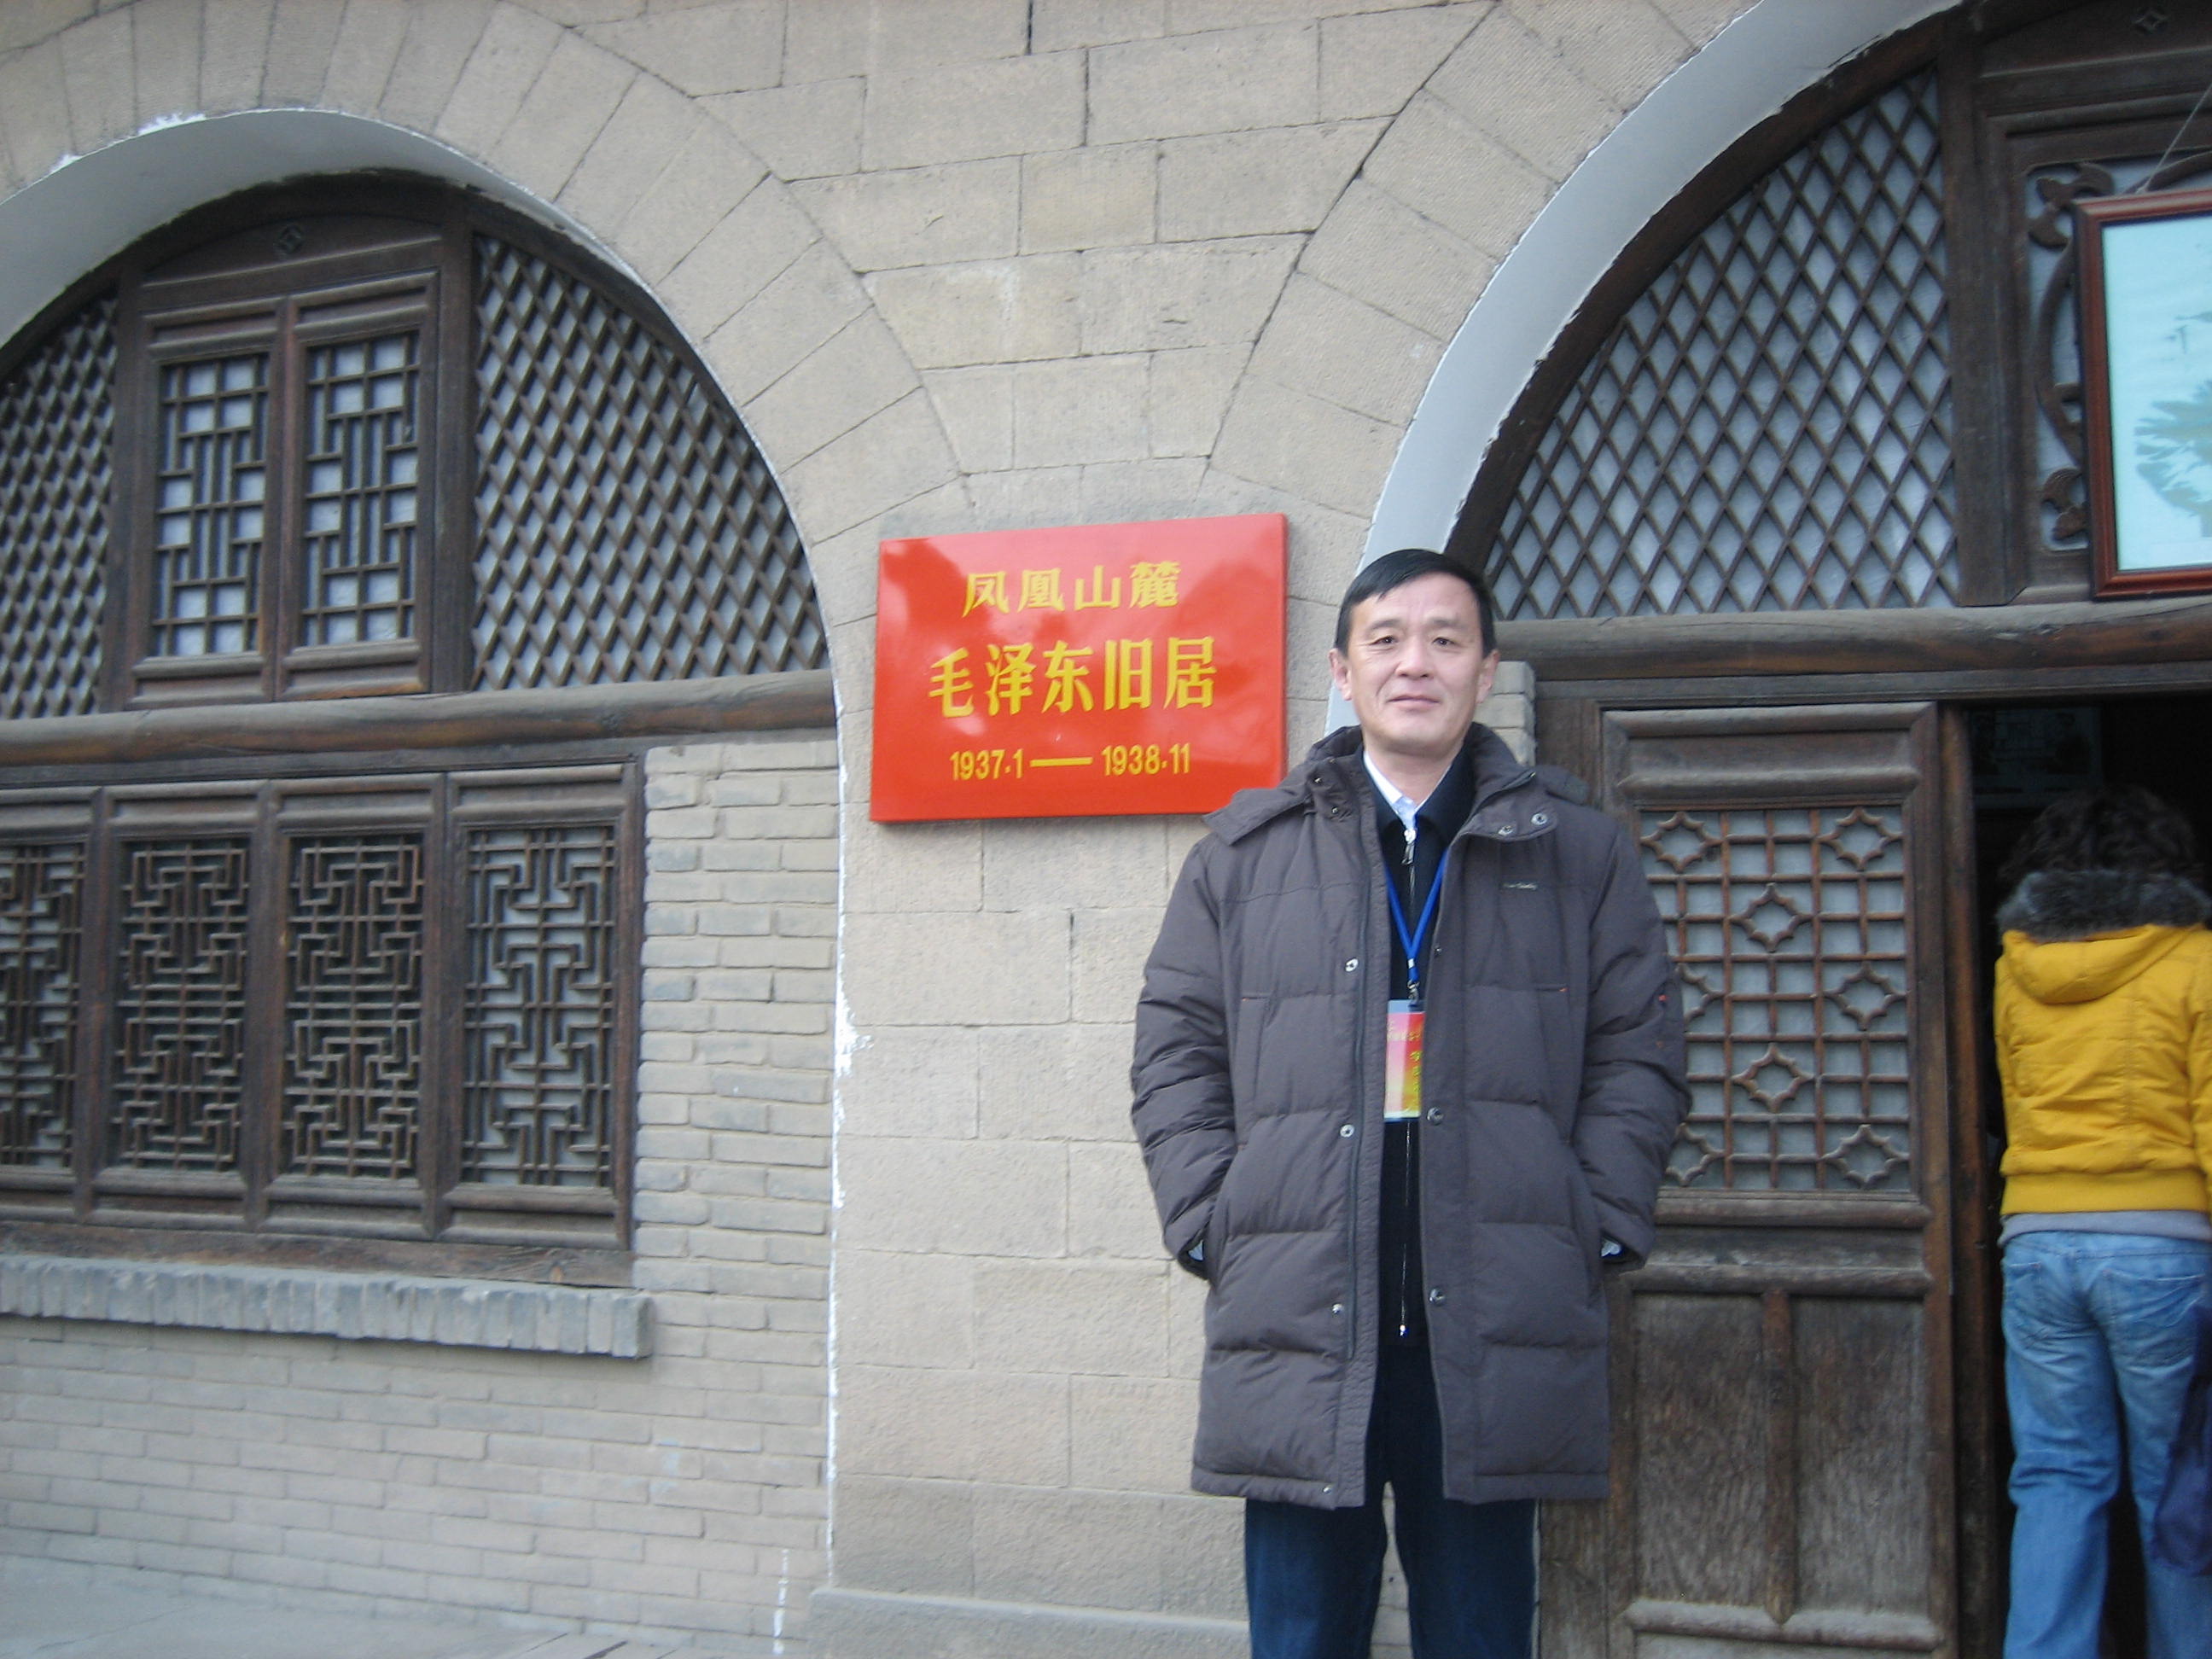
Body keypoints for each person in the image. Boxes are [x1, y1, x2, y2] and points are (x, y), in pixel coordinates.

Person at [1131, 549, 1687, 1659]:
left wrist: (1593, 1221)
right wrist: (1210, 1220)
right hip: (1301, 1307)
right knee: (1302, 1632)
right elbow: (1174, 1049)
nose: (1415, 664)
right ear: (1343, 672)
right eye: (1385, 640)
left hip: (1491, 1311)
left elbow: (1641, 1050)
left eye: (1445, 639)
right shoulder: (1246, 857)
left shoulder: (1575, 852)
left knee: (1480, 1630)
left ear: (1487, 670)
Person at [1992, 785, 2212, 1659]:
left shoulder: (2016, 968)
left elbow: (2017, 1098)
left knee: (2056, 1475)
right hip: (2164, 1247)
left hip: (2038, 1241)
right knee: (2179, 1481)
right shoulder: (2196, 959)